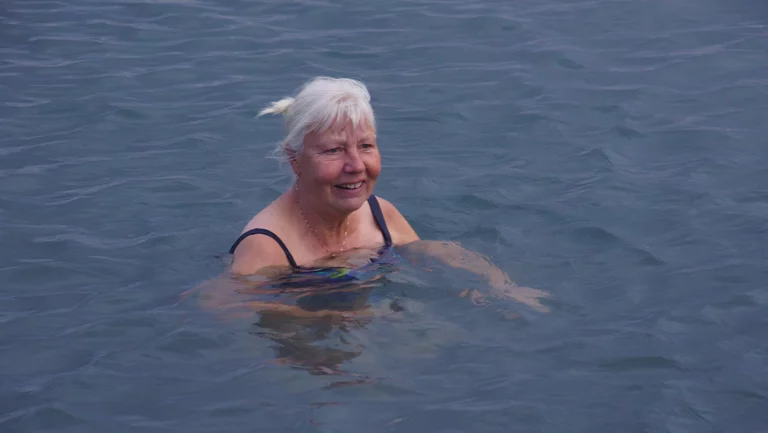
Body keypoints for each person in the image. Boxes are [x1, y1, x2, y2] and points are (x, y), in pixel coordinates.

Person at [224, 76, 550, 313]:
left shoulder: (379, 213)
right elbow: (229, 307)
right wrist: (334, 316)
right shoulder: (266, 246)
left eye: (366, 146)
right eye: (334, 150)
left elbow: (427, 254)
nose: (356, 165)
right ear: (295, 160)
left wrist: (497, 286)